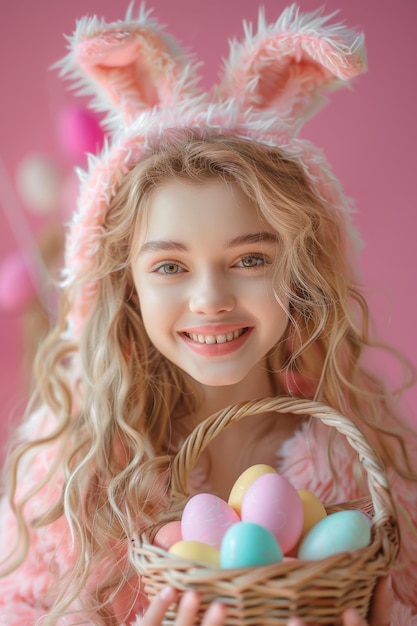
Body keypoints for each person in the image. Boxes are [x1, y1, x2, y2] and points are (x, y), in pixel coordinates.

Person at [0, 5, 416, 625]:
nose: (210, 299)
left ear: (298, 271)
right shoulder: (69, 469)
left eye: (249, 258)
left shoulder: (357, 461)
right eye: (170, 266)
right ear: (126, 286)